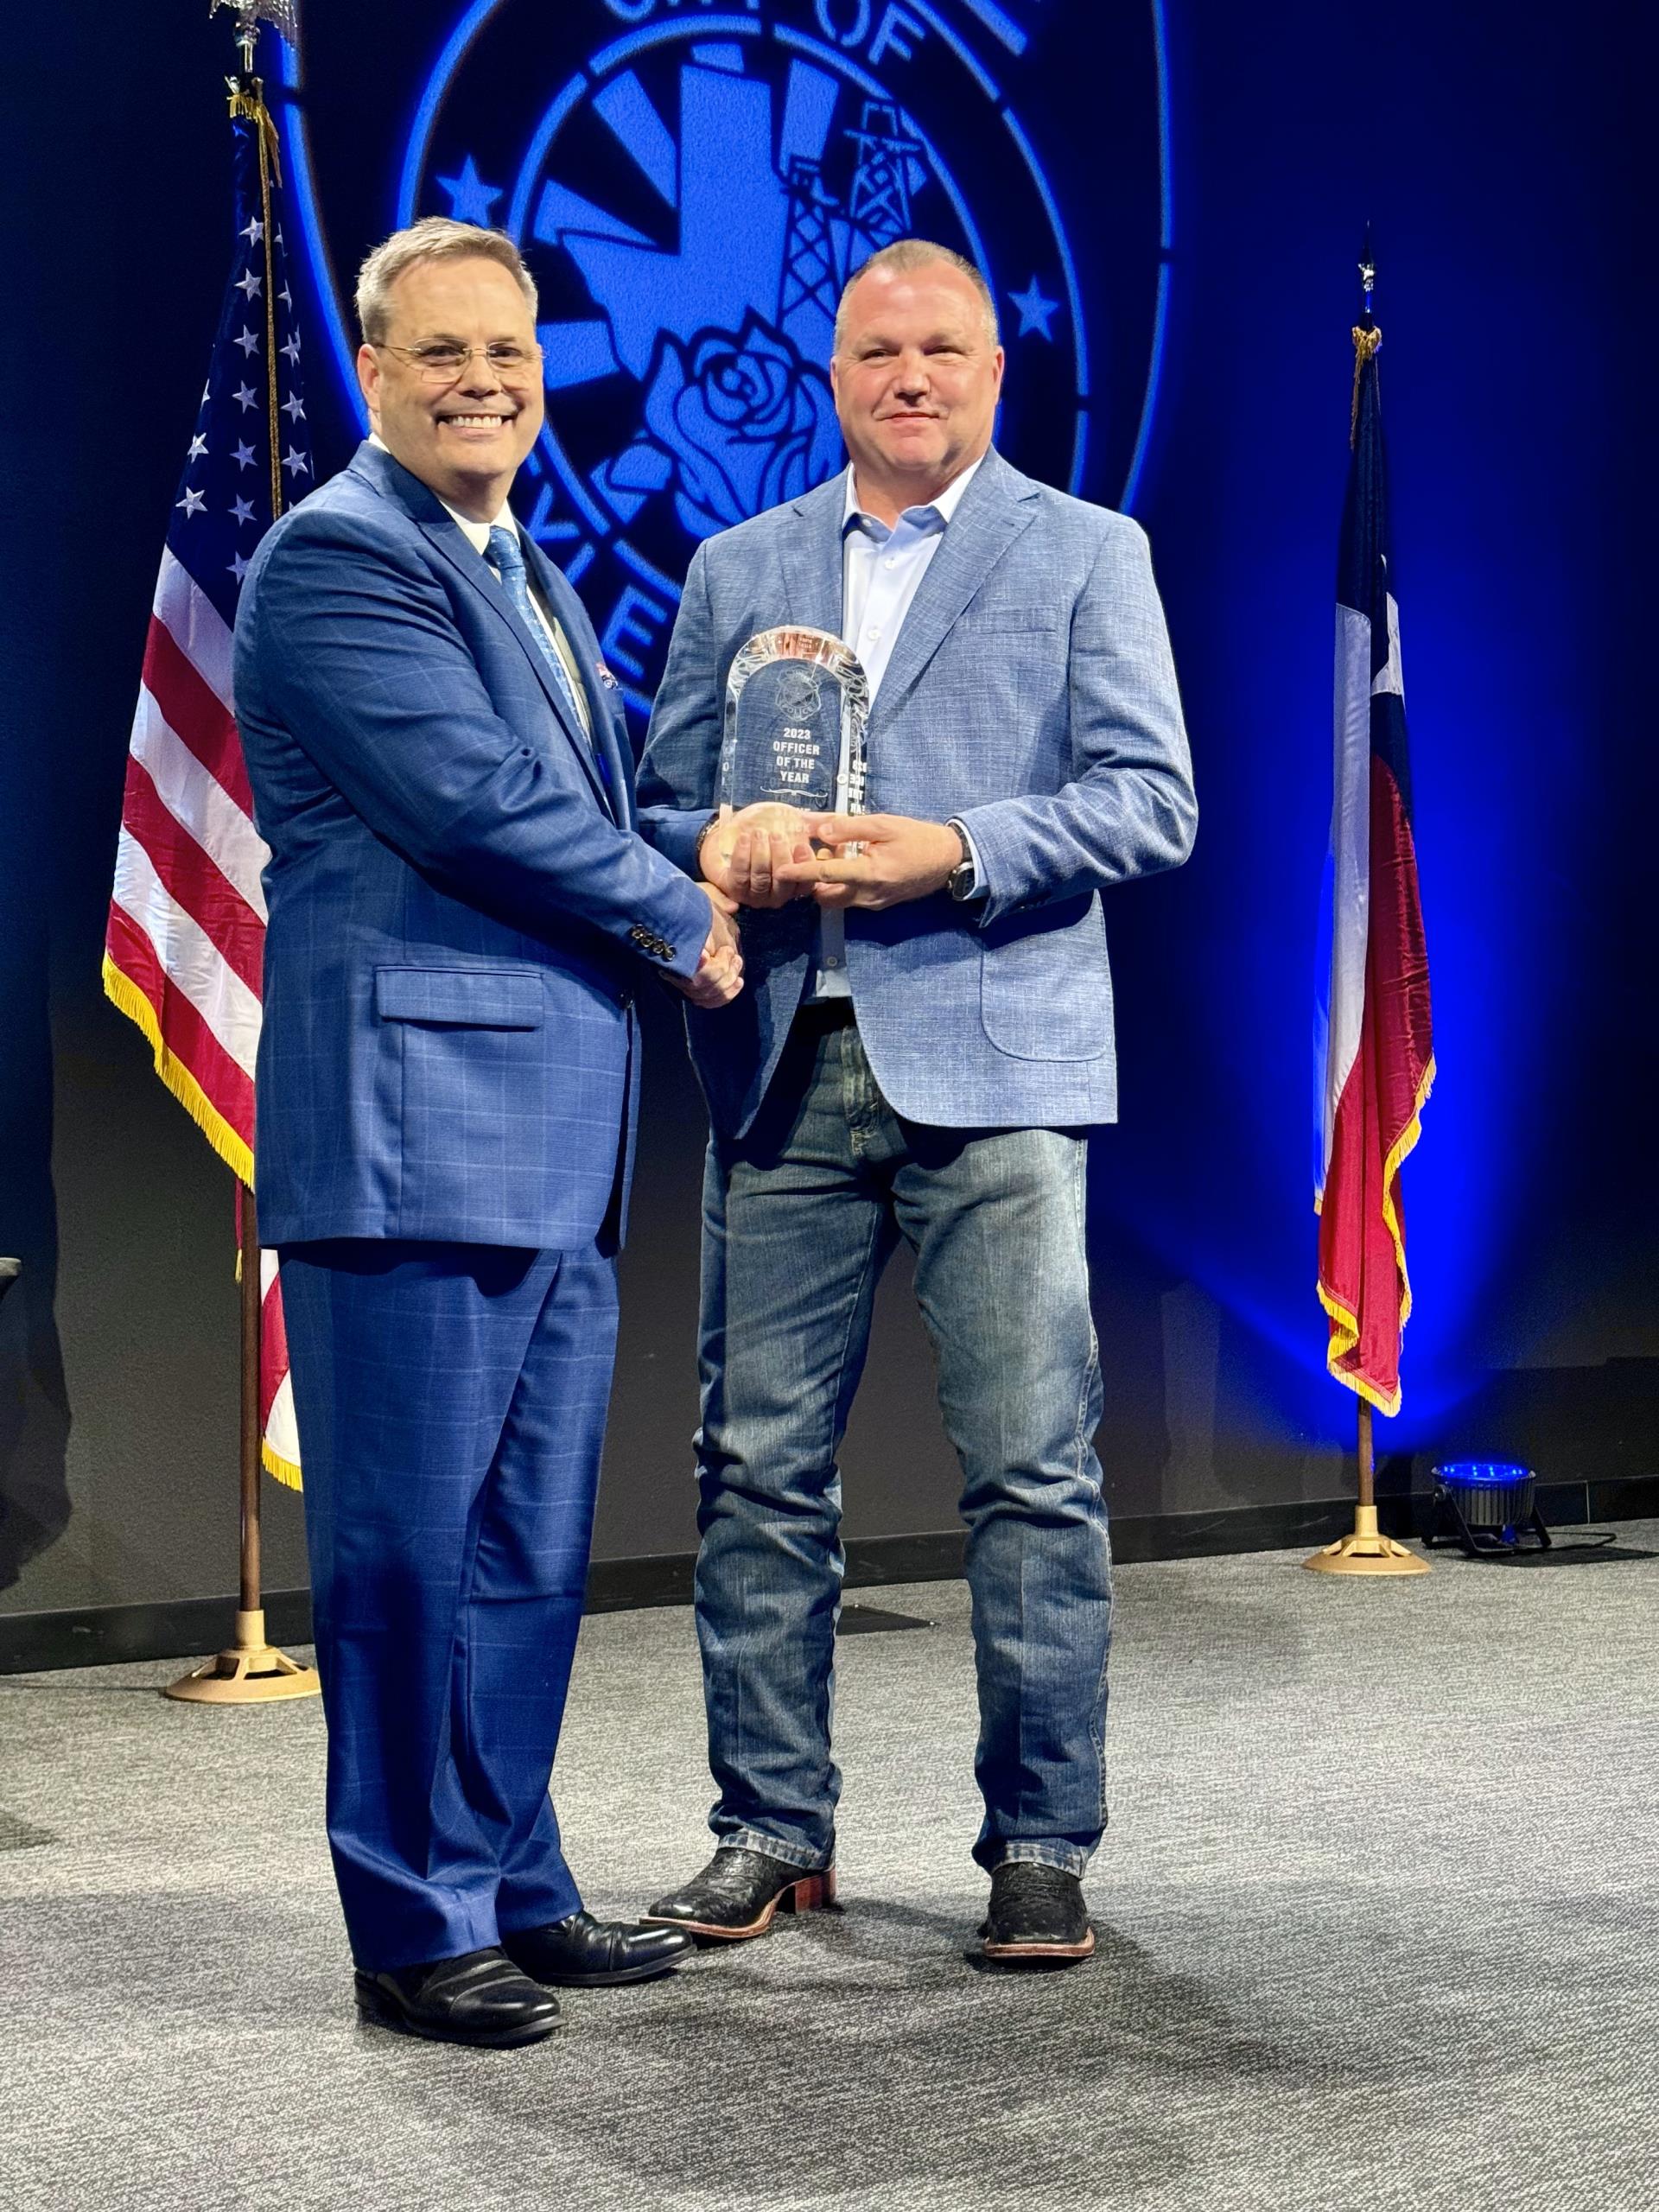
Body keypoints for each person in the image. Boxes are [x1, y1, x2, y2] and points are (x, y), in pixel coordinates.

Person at [635, 238, 1196, 1964]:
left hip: (999, 1069)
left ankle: (1039, 1842)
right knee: (755, 1469)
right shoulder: (742, 566)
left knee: (1029, 1475)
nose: (913, 378)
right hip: (785, 1064)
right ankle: (770, 1829)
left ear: (994, 368)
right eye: (879, 352)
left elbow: (1150, 802)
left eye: (943, 349)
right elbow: (658, 808)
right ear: (835, 375)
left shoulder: (1089, 552)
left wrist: (953, 850)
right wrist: (716, 846)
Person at [233, 218, 743, 2047]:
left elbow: (606, 789)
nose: (483, 382)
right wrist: (682, 911)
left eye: (509, 353)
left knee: (523, 1552)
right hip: (411, 1135)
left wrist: (742, 843)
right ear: (375, 372)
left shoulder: (513, 562)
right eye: (442, 352)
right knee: (401, 1555)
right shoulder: (341, 558)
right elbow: (476, 807)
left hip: (551, 1139)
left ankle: (515, 1880)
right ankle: (410, 1917)